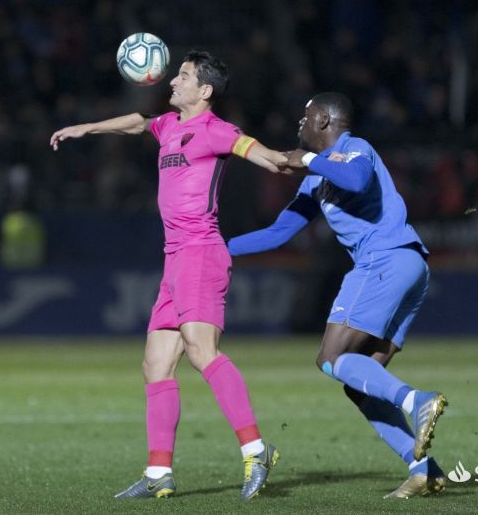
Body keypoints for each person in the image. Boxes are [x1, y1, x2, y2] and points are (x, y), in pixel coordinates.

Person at [50, 51, 291, 500]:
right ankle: (159, 473)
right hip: (174, 259)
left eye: (183, 76)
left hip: (201, 253)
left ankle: (257, 449)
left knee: (202, 352)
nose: (172, 81)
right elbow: (139, 121)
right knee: (155, 365)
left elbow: (271, 159)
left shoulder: (218, 131)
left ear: (205, 91)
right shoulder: (168, 126)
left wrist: (314, 160)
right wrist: (87, 128)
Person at [227, 92, 448, 499]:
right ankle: (423, 468)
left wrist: (307, 160)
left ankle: (418, 401)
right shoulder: (316, 181)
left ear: (325, 121)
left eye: (306, 117)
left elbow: (358, 179)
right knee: (359, 383)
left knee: (329, 358)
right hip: (408, 266)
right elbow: (279, 232)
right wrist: (220, 248)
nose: (299, 125)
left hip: (382, 262)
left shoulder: (354, 149)